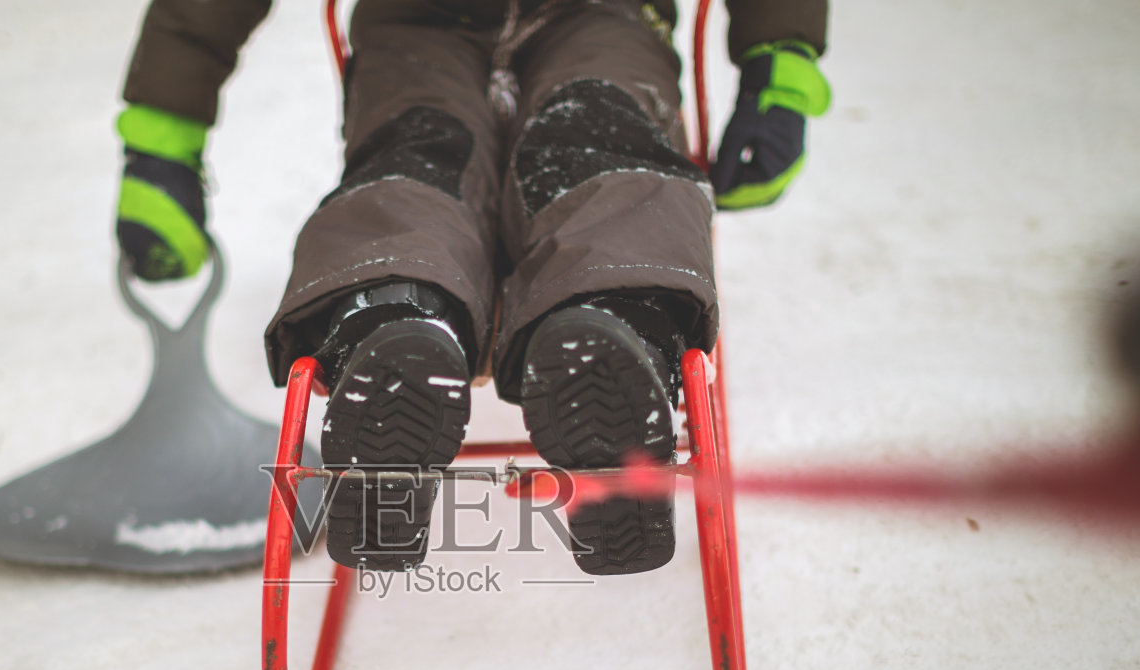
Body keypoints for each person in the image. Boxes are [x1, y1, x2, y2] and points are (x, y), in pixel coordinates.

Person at [114, 0, 830, 574]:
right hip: (417, 20)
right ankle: (397, 337)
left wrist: (781, 59)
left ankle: (608, 337)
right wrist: (162, 142)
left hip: (602, 14)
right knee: (422, 155)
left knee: (593, 137)